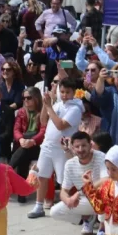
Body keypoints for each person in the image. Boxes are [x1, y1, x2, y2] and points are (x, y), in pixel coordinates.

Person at [27, 79, 83, 219]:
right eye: (62, 91)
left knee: (65, 180)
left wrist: (49, 108)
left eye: (67, 92)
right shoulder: (57, 105)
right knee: (42, 176)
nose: (64, 95)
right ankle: (39, 205)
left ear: (74, 92)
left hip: (62, 148)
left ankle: (70, 207)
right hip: (48, 145)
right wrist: (46, 104)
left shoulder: (75, 108)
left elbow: (61, 125)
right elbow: (43, 121)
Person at [50, 132, 107, 235]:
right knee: (54, 212)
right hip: (85, 201)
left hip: (101, 198)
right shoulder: (70, 164)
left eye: (84, 145)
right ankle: (87, 219)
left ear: (90, 145)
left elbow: (106, 180)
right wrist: (68, 200)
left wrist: (80, 192)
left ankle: (103, 228)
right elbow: (63, 191)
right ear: (72, 148)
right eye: (77, 146)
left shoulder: (101, 157)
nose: (80, 149)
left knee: (106, 195)